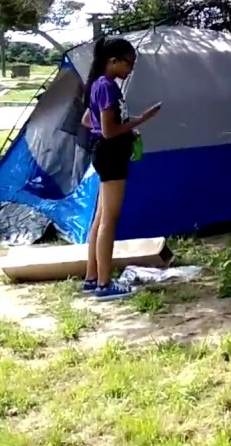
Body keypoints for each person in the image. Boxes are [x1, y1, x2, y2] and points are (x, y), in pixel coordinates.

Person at [78, 37, 162, 301]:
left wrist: (122, 127)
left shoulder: (99, 85)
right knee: (109, 220)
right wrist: (140, 120)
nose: (131, 69)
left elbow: (86, 120)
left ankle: (92, 278)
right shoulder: (107, 87)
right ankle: (104, 285)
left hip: (106, 153)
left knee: (100, 218)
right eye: (129, 63)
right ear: (113, 60)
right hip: (110, 156)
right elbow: (109, 130)